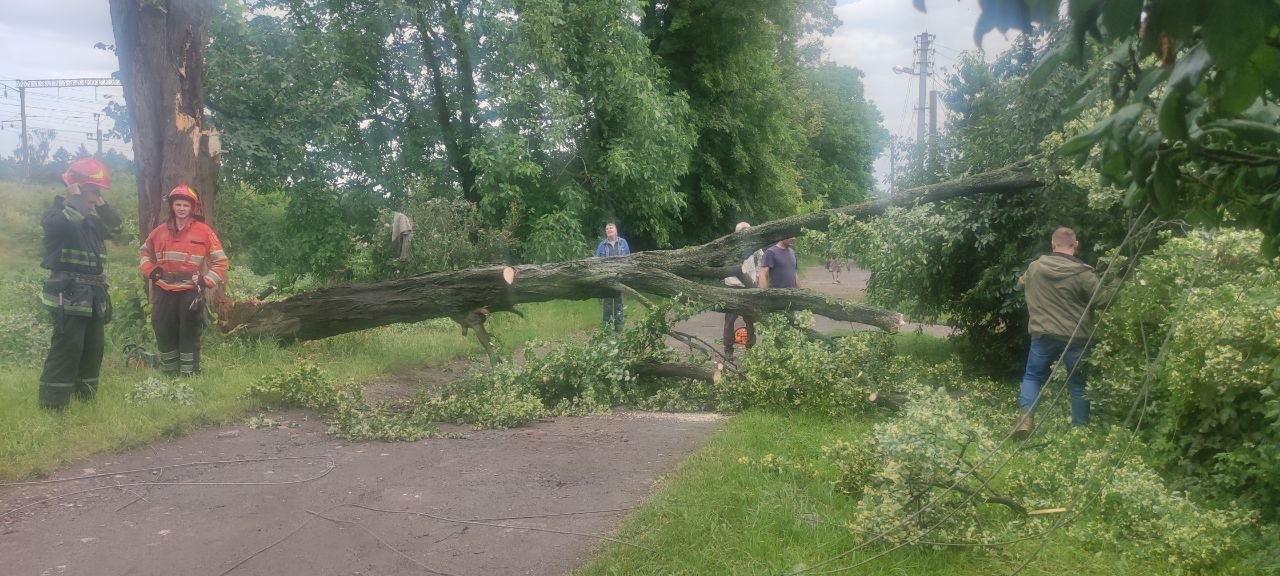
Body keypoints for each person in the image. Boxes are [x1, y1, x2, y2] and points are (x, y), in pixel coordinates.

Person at [1013, 227, 1115, 438]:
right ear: (1075, 245)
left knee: (1032, 377)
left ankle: (1025, 419)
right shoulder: (1083, 274)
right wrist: (1113, 279)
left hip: (1042, 334)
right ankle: (1080, 431)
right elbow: (1103, 300)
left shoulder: (1035, 267)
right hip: (1075, 338)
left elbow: (1020, 284)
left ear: (1053, 245)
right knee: (1077, 383)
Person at [37, 158, 121, 410]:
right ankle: (53, 407)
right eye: (89, 194)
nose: (92, 200)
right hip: (68, 294)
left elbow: (116, 228)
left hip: (93, 295)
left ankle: (85, 401)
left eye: (96, 195)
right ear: (74, 190)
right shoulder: (55, 215)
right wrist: (75, 193)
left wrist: (99, 200)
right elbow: (69, 219)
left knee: (93, 349)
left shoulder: (93, 221)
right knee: (67, 349)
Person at [139, 185, 229, 376]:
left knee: (189, 332)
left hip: (189, 291)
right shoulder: (159, 231)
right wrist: (151, 270)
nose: (181, 208)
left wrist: (206, 281)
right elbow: (144, 252)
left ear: (192, 208)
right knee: (163, 329)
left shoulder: (204, 231)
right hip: (163, 289)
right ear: (172, 206)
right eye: (178, 204)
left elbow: (221, 261)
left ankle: (190, 375)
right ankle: (170, 373)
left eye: (185, 205)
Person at [723, 222, 762, 360]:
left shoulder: (754, 245)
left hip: (748, 287)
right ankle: (728, 350)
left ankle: (750, 348)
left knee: (750, 319)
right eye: (744, 231)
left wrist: (757, 275)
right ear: (737, 233)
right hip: (732, 286)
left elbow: (761, 259)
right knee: (730, 319)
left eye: (748, 230)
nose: (747, 233)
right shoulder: (730, 246)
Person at [594, 221, 630, 331]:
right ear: (606, 232)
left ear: (616, 230)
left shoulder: (623, 243)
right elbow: (597, 262)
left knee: (618, 302)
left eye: (611, 228)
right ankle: (607, 327)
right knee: (608, 303)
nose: (609, 230)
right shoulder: (602, 245)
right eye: (607, 229)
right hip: (606, 277)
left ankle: (619, 326)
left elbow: (629, 259)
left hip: (619, 276)